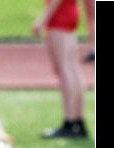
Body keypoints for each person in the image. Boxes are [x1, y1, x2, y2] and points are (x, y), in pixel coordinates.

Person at [33, 0, 89, 139]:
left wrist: (43, 19)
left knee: (65, 69)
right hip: (69, 11)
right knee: (72, 68)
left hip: (60, 15)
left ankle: (70, 122)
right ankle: (78, 120)